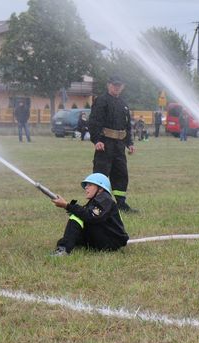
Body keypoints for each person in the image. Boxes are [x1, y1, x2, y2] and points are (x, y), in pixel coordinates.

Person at [88, 76, 136, 212]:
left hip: (119, 145)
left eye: (119, 85)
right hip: (105, 144)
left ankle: (121, 203)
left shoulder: (123, 104)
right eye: (114, 85)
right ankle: (98, 204)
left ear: (123, 87)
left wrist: (129, 143)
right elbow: (94, 122)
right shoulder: (101, 101)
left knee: (121, 174)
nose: (117, 87)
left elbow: (127, 126)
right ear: (108, 85)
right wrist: (97, 140)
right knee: (101, 175)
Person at [51, 173, 129, 256]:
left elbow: (90, 216)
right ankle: (67, 244)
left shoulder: (104, 199)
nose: (86, 187)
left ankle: (63, 250)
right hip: (106, 238)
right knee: (68, 239)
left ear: (100, 189)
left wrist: (67, 206)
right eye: (86, 185)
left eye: (90, 185)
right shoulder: (99, 200)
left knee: (77, 217)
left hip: (111, 241)